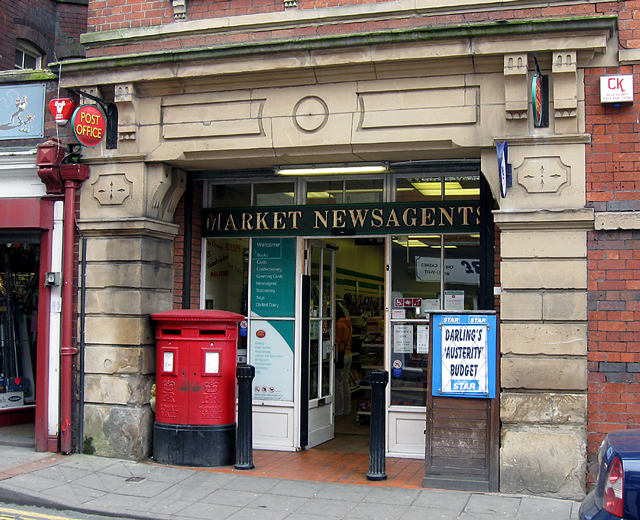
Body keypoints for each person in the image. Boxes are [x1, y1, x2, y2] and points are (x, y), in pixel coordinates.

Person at [334, 304, 353, 417]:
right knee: (345, 383)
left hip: (340, 355)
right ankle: (348, 408)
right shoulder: (348, 325)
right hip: (348, 354)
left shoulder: (339, 325)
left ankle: (339, 410)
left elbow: (337, 340)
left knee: (338, 384)